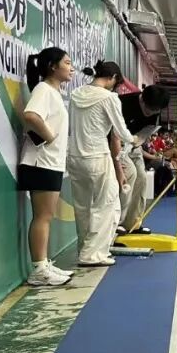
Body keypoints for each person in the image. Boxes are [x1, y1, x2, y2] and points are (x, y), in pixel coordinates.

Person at [67, 60, 135, 267]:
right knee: (107, 206)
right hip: (97, 156)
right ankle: (93, 254)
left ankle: (84, 249)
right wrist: (134, 140)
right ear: (112, 78)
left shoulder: (76, 94)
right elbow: (120, 130)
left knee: (83, 208)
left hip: (74, 156)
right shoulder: (109, 98)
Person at [19, 47, 75, 286]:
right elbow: (31, 115)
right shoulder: (43, 89)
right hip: (40, 162)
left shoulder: (53, 93)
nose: (72, 68)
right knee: (43, 217)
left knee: (46, 216)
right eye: (67, 63)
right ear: (53, 66)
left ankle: (43, 264)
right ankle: (39, 270)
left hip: (50, 163)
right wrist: (50, 137)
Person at [117, 84, 170, 235]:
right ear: (142, 100)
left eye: (155, 110)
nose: (151, 113)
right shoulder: (123, 103)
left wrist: (137, 141)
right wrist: (123, 145)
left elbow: (146, 132)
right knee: (130, 175)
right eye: (149, 109)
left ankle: (133, 224)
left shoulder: (156, 109)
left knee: (142, 178)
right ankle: (116, 224)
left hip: (135, 146)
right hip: (117, 145)